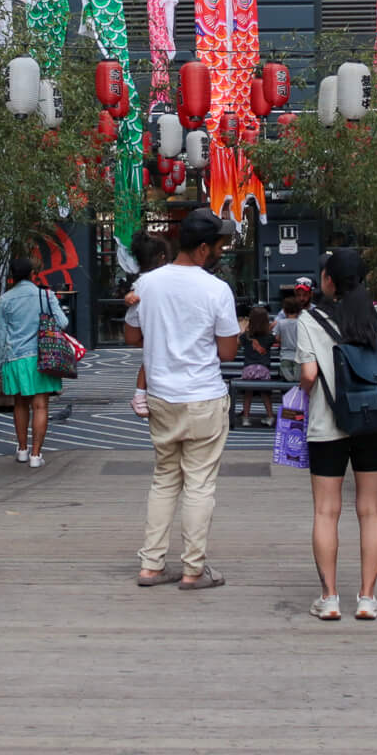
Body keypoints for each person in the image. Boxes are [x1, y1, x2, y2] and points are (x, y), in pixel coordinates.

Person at [126, 210, 241, 590]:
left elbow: (131, 339)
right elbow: (227, 352)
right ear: (204, 248)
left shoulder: (148, 283)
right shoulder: (216, 290)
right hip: (203, 397)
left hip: (162, 396)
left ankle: (151, 565)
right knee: (199, 485)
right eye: (219, 246)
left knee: (164, 480)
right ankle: (193, 570)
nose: (220, 252)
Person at [292, 247, 377, 622]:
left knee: (325, 511)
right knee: (371, 510)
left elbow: (307, 375)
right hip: (374, 423)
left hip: (327, 423)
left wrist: (304, 390)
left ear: (328, 280)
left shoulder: (310, 320)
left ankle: (330, 597)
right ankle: (367, 598)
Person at [0, 256, 65, 467]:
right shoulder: (46, 295)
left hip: (15, 359)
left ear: (12, 276)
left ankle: (21, 450)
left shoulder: (4, 300)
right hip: (41, 357)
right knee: (40, 406)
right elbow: (63, 322)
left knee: (20, 404)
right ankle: (35, 455)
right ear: (33, 274)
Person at [126, 234, 172, 418]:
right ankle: (139, 395)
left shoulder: (143, 281)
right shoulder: (158, 279)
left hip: (155, 337)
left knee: (148, 361)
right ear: (162, 256)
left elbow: (131, 337)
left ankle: (139, 395)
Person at [236, 306, 276, 427]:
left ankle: (246, 418)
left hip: (248, 369)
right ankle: (270, 416)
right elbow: (275, 338)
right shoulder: (269, 337)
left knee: (248, 394)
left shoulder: (246, 337)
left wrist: (244, 328)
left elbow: (237, 342)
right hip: (264, 369)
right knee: (265, 394)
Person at [273, 292, 305, 383]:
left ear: (285, 311)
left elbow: (276, 337)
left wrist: (284, 340)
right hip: (299, 357)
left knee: (286, 381)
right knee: (297, 382)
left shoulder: (281, 323)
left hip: (285, 356)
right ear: (299, 311)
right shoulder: (301, 323)